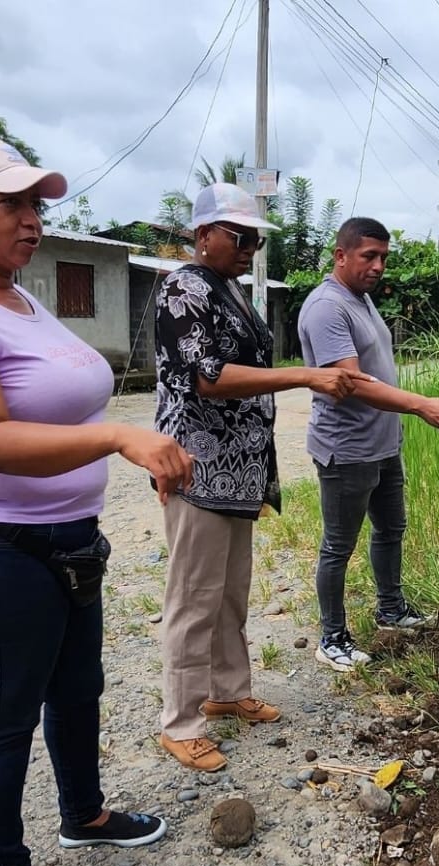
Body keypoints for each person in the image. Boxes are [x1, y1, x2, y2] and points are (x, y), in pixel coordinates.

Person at [0, 138, 193, 866]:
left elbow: (58, 405)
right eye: (13, 204)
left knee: (77, 690)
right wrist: (118, 437)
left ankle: (84, 816)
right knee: (6, 716)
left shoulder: (21, 302)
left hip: (68, 539)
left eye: (37, 205)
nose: (33, 220)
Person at [152, 183, 364, 771]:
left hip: (237, 472)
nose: (249, 249)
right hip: (198, 466)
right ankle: (181, 722)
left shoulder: (229, 288)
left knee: (229, 591)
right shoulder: (184, 288)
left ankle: (227, 691)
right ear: (203, 234)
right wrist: (305, 376)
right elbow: (207, 377)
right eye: (239, 237)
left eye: (255, 240)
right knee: (193, 597)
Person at [297, 217, 439, 672]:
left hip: (382, 444)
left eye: (383, 258)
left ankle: (391, 610)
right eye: (369, 256)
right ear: (341, 256)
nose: (378, 266)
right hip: (347, 449)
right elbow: (351, 382)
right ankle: (332, 638)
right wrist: (420, 405)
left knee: (391, 528)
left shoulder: (361, 299)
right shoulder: (327, 307)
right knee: (338, 546)